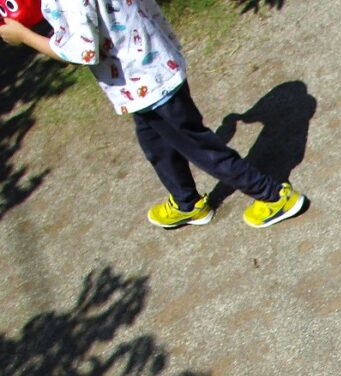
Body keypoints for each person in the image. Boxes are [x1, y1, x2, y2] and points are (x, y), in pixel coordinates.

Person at [0, 0, 304, 229]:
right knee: (155, 144)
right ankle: (187, 202)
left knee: (199, 146)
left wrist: (23, 36)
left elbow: (83, 52)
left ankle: (274, 196)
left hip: (145, 79)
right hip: (150, 65)